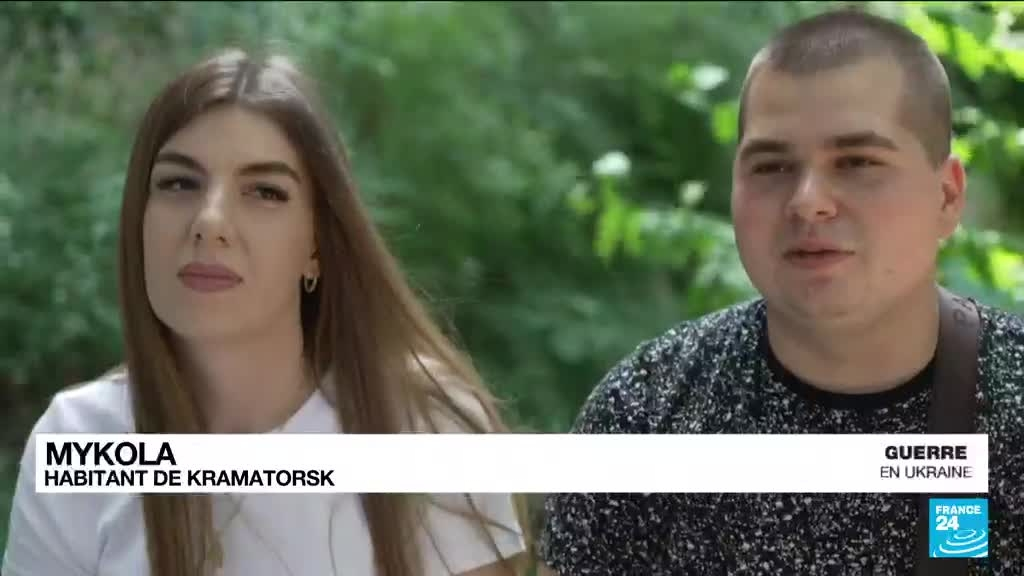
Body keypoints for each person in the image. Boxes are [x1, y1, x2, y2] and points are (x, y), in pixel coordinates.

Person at [3, 48, 527, 576]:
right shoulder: (77, 441)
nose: (209, 221)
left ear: (316, 246)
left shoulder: (424, 430)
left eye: (265, 192)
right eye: (179, 183)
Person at [539, 8, 1022, 575]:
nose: (808, 201)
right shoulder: (643, 418)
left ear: (946, 197)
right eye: (771, 167)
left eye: (857, 162)